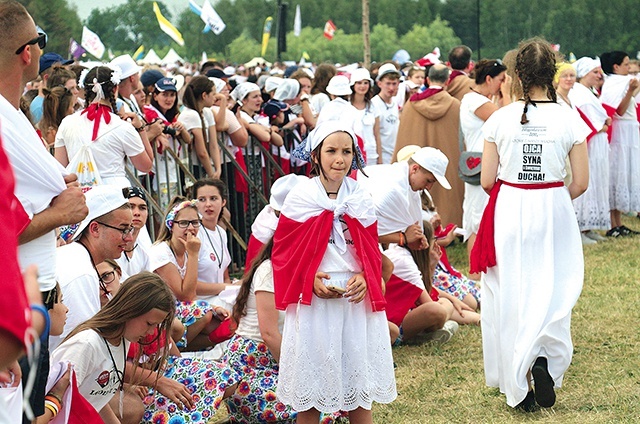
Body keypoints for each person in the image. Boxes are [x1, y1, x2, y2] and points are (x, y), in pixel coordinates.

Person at [470, 37, 589, 411]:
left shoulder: (500, 117)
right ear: (551, 73)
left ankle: (519, 386)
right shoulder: (568, 117)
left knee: (513, 290)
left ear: (516, 74)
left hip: (510, 204)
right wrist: (550, 198)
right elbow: (582, 182)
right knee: (553, 286)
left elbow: (487, 180)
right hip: (553, 202)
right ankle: (544, 358)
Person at [272, 121, 397, 422]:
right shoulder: (301, 198)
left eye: (346, 151)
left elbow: (369, 252)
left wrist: (367, 278)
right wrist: (309, 280)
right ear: (315, 156)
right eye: (331, 151)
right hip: (315, 302)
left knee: (359, 388)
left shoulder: (360, 198)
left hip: (355, 302)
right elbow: (284, 254)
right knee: (312, 393)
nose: (340, 159)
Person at [0, 3, 88, 418]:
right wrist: (60, 213)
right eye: (40, 41)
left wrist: (57, 190)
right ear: (27, 52)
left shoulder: (13, 113)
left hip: (33, 301)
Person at [50, 272, 175, 423]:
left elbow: (96, 400)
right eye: (149, 323)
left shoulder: (123, 340)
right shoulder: (86, 345)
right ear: (130, 309)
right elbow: (57, 401)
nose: (151, 332)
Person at [50, 185, 134, 351]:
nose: (129, 238)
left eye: (130, 229)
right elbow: (78, 349)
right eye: (123, 229)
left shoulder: (78, 259)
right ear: (95, 228)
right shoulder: (80, 272)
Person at [54, 65, 153, 188]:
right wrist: (140, 128)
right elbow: (146, 165)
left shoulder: (67, 123)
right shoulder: (123, 127)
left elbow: (60, 169)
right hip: (115, 197)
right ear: (115, 89)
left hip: (81, 197)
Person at [394, 63, 465, 228]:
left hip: (416, 170)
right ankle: (449, 225)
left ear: (427, 79)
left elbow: (404, 138)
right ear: (447, 81)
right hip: (446, 167)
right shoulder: (455, 105)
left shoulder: (411, 105)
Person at [149, 199, 225, 350]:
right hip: (157, 308)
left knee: (219, 325)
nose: (190, 228)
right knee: (204, 314)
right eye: (184, 223)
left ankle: (187, 349)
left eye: (195, 222)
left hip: (176, 307)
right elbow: (186, 295)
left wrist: (214, 307)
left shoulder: (185, 250)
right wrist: (194, 254)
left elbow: (189, 295)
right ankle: (172, 352)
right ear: (171, 225)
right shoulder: (161, 251)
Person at [459, 59, 510, 278]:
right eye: (501, 80)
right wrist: (507, 95)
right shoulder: (473, 100)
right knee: (477, 221)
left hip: (488, 165)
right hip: (480, 166)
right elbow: (509, 121)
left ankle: (483, 269)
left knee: (485, 218)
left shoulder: (480, 100)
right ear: (488, 79)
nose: (503, 84)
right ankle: (475, 273)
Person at [569, 57, 612, 241]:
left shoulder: (588, 92)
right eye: (594, 72)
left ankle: (590, 225)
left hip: (599, 145)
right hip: (591, 145)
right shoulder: (579, 94)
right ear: (584, 74)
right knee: (588, 182)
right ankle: (581, 226)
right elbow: (587, 123)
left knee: (597, 182)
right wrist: (603, 125)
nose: (599, 75)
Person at [599, 51, 640, 237]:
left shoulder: (623, 82)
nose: (629, 67)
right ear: (616, 67)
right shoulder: (614, 84)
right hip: (621, 132)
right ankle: (612, 223)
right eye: (625, 64)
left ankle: (618, 222)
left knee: (624, 173)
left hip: (629, 131)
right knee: (617, 173)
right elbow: (620, 111)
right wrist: (631, 90)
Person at [143, 77, 191, 210]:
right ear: (155, 96)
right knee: (162, 214)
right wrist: (174, 130)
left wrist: (182, 128)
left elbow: (187, 139)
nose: (169, 99)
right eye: (164, 95)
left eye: (172, 95)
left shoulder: (173, 115)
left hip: (172, 170)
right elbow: (171, 132)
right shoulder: (148, 111)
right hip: (157, 172)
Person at [179, 76, 221, 179]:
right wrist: (211, 174)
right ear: (204, 95)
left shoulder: (207, 112)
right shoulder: (191, 115)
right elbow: (201, 151)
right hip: (191, 166)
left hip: (203, 165)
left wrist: (218, 169)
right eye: (213, 94)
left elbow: (213, 143)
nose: (215, 97)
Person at [115, 187, 152, 279]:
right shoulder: (111, 247)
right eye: (131, 207)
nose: (137, 213)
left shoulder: (144, 250)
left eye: (142, 208)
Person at [350, 68, 382, 165]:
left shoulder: (373, 106)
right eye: (359, 83)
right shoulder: (346, 106)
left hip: (371, 155)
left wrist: (379, 158)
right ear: (353, 85)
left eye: (365, 83)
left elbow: (376, 134)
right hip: (352, 155)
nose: (362, 86)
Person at [372, 63, 401, 164]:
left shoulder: (394, 103)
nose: (391, 88)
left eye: (394, 84)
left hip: (395, 156)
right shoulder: (374, 104)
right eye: (388, 84)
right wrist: (379, 160)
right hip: (382, 157)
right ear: (380, 84)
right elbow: (375, 135)